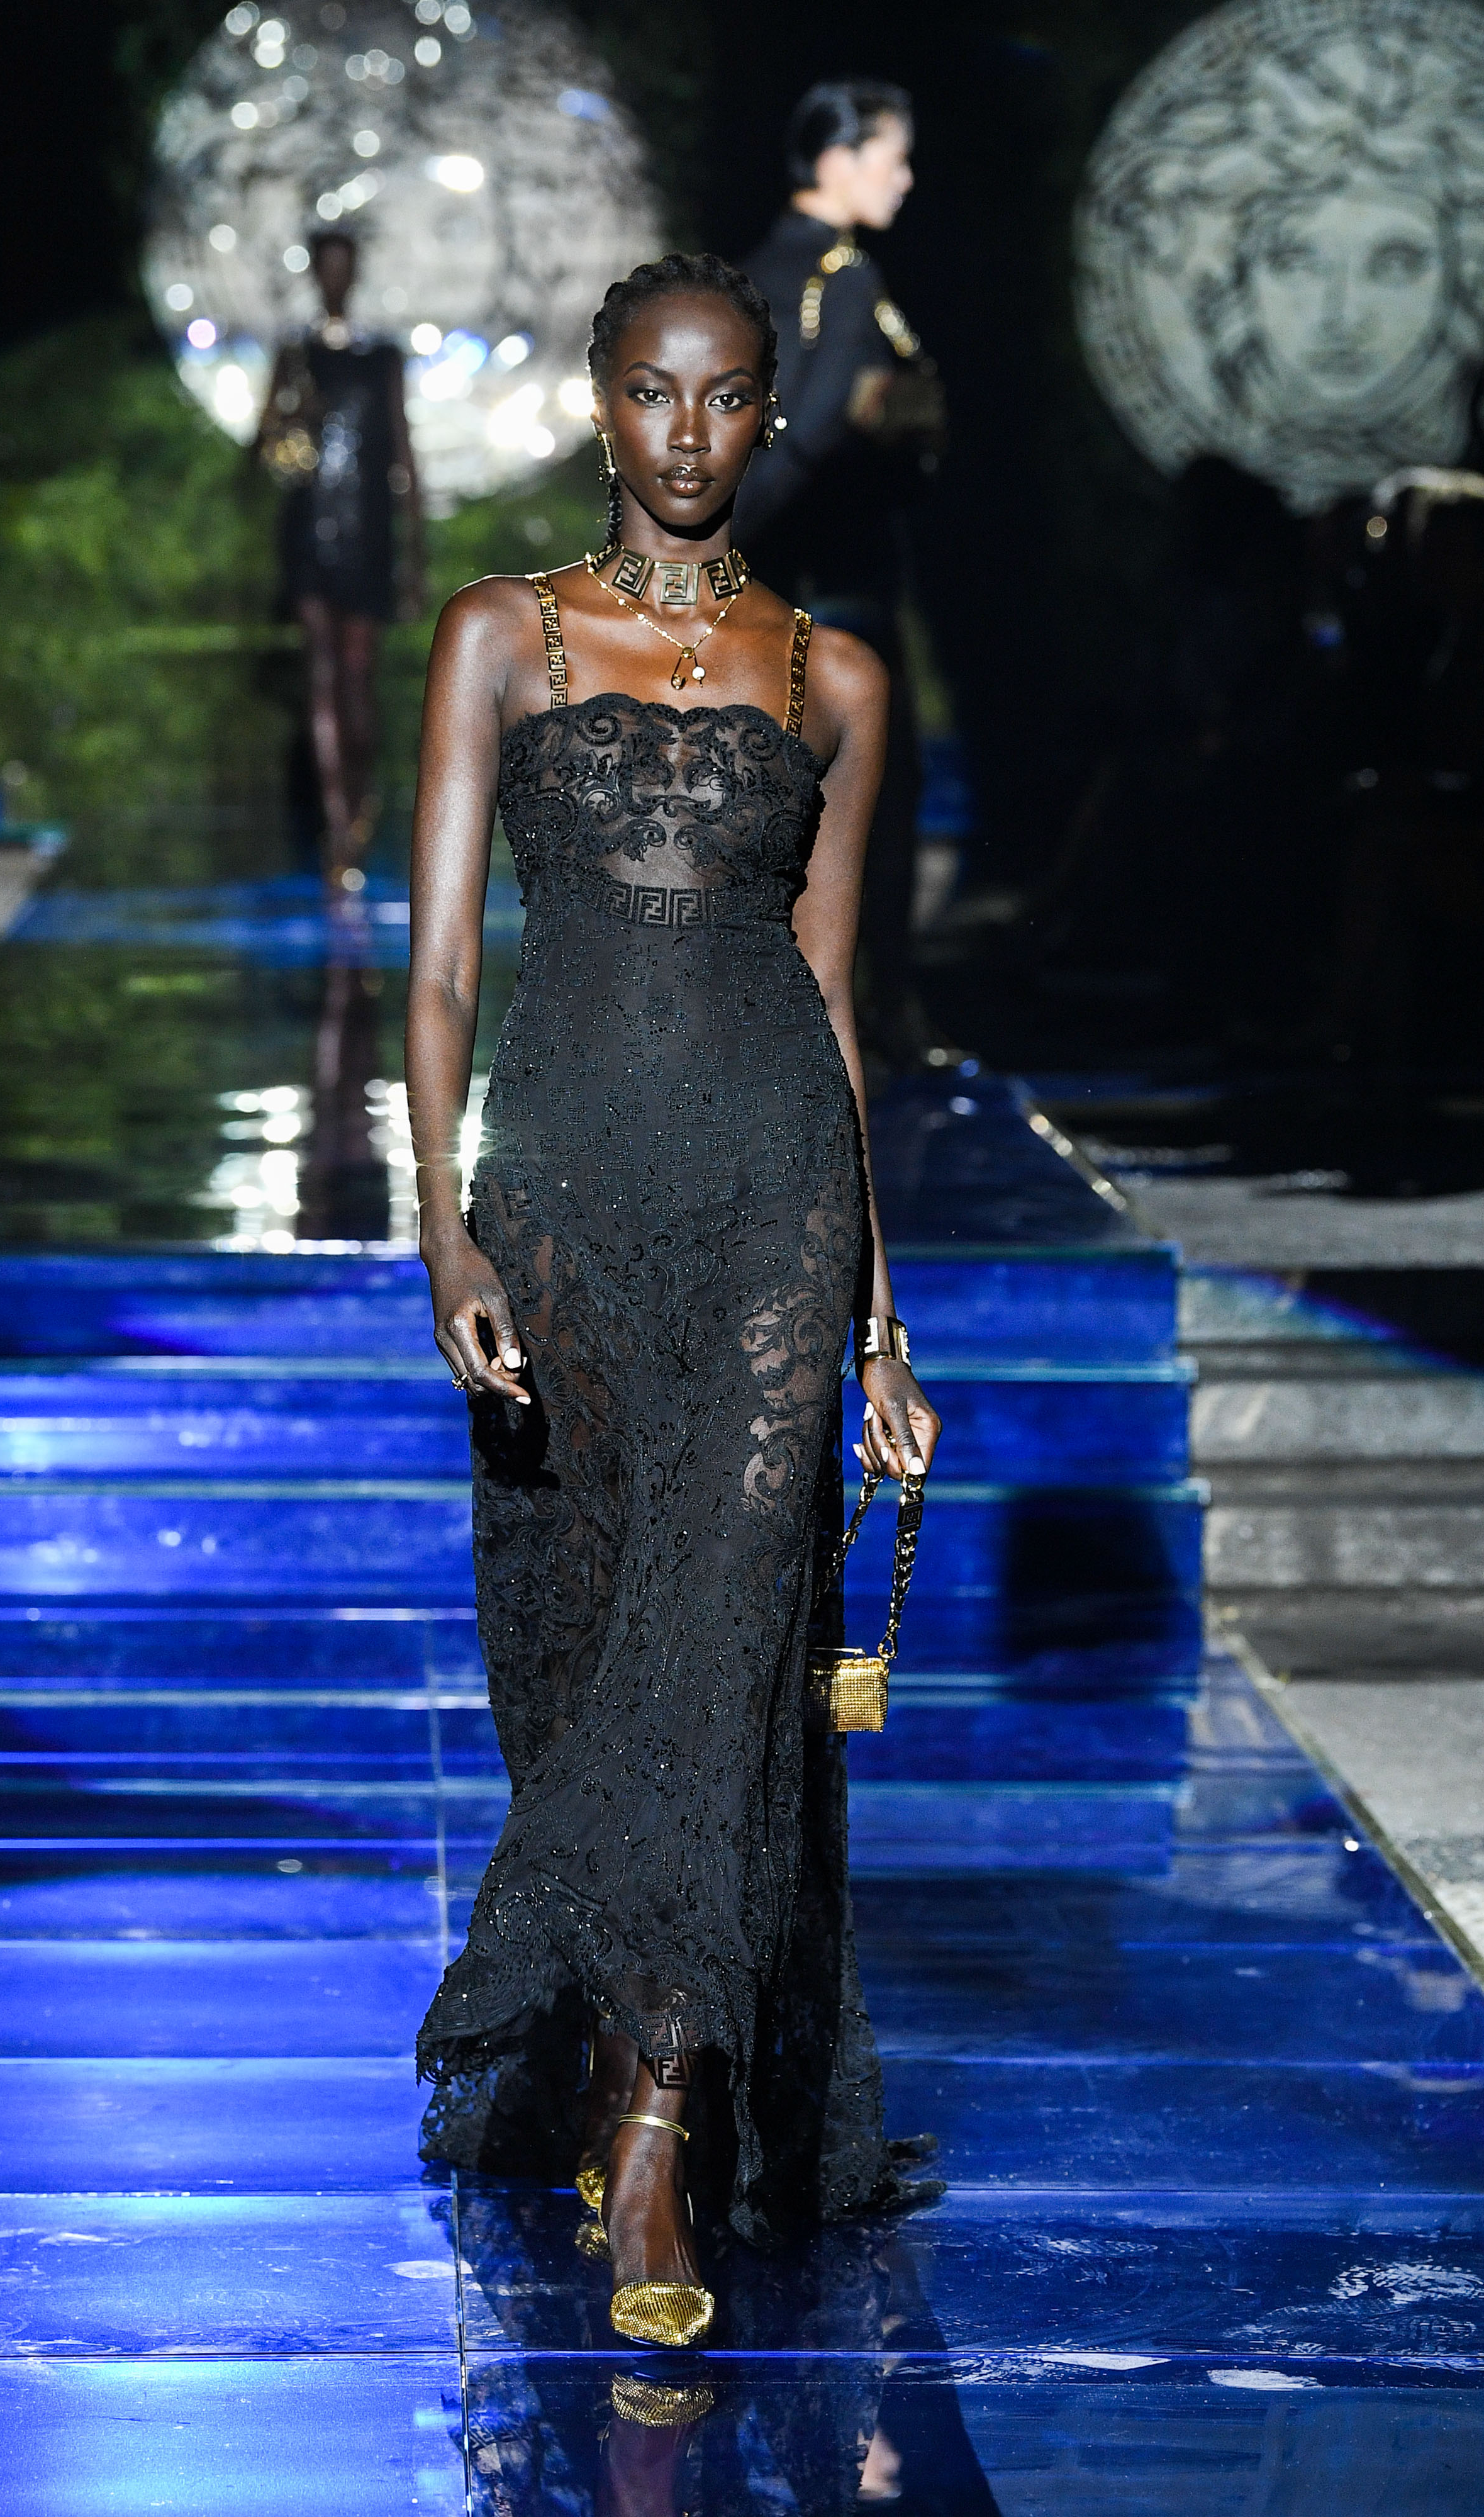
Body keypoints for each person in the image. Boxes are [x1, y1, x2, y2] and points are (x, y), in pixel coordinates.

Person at [406, 250, 942, 2350]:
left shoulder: (833, 674)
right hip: (556, 1199)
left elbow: (833, 1000)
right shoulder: (500, 635)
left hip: (770, 1205)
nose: (688, 432)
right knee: (578, 1644)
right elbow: (440, 969)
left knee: (722, 1652)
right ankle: (606, 2061)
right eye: (654, 392)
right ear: (600, 402)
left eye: (725, 398)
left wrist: (877, 1317)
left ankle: (652, 2134)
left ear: (766, 416)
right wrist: (442, 1232)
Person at [738, 80, 947, 1065]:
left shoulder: (752, 275)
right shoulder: (845, 276)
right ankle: (882, 1006)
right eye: (890, 158)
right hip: (840, 577)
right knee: (877, 793)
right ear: (837, 160)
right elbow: (818, 426)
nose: (904, 179)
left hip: (770, 583)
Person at [256, 229, 424, 882]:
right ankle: (337, 823)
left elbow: (402, 449)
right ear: (313, 273)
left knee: (357, 678)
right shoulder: (295, 354)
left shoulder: (381, 355)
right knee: (324, 676)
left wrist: (413, 549)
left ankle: (357, 805)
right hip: (308, 527)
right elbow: (266, 444)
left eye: (342, 267)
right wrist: (291, 418)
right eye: (324, 267)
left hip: (368, 529)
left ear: (354, 272)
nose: (334, 278)